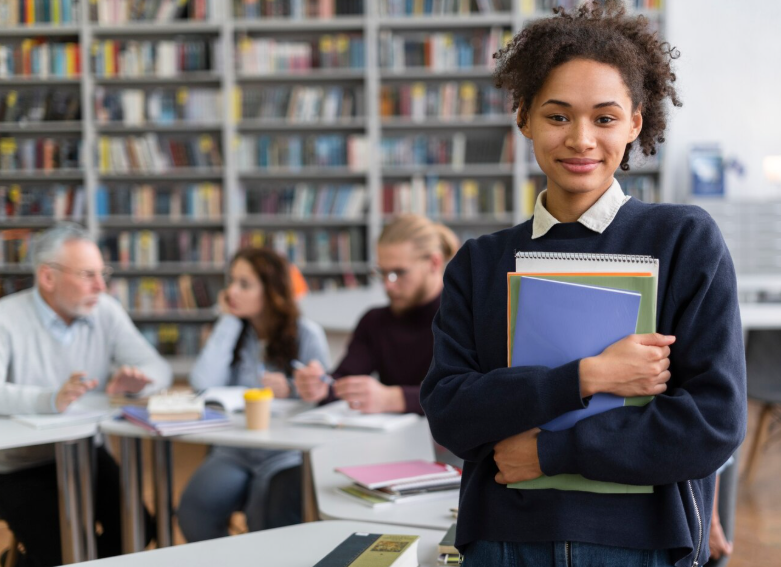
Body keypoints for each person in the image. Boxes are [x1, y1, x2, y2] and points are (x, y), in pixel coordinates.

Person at [419, 4, 746, 567]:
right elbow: (450, 413)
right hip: (504, 543)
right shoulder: (479, 262)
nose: (581, 139)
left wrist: (551, 451)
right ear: (523, 118)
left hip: (639, 543)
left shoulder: (683, 241)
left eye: (604, 118)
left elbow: (712, 424)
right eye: (558, 116)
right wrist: (587, 376)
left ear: (636, 124)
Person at [0, 223, 171, 567]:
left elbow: (159, 368)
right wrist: (50, 400)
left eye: (102, 273)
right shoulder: (6, 317)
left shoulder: (104, 309)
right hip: (18, 465)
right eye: (88, 275)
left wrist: (138, 382)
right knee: (63, 550)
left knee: (139, 529)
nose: (101, 286)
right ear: (48, 278)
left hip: (83, 455)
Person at [176, 248, 331, 542]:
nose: (232, 291)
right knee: (194, 510)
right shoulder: (234, 332)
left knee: (265, 520)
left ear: (271, 291)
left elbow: (325, 393)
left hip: (286, 454)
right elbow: (202, 383)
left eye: (244, 285)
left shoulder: (307, 333)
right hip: (236, 449)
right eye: (231, 282)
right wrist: (228, 321)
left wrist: (293, 387)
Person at [294, 214, 459, 415]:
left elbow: (469, 395)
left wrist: (394, 398)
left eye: (399, 272)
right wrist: (318, 387)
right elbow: (341, 382)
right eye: (382, 272)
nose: (387, 285)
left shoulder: (462, 320)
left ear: (434, 263)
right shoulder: (374, 321)